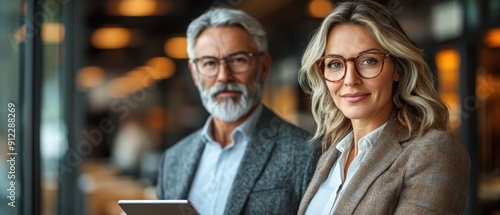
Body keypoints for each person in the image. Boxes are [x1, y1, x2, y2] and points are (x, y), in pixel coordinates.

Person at [297, 1, 471, 214]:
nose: (350, 80)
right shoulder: (330, 156)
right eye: (335, 64)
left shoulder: (433, 150)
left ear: (397, 69)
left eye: (368, 61)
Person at [156, 7, 320, 215]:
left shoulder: (306, 153)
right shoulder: (173, 159)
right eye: (209, 63)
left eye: (238, 60)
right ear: (195, 74)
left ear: (263, 66)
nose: (224, 76)